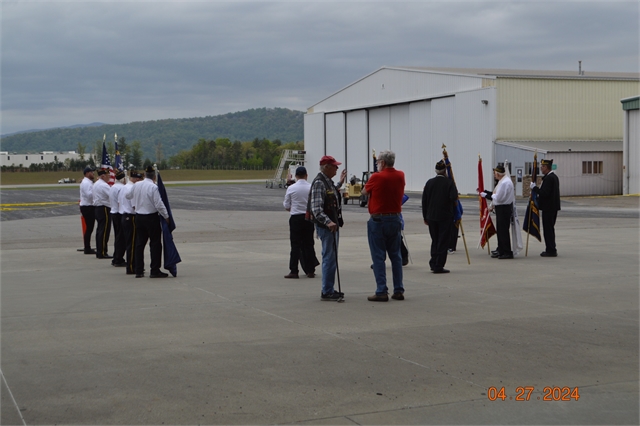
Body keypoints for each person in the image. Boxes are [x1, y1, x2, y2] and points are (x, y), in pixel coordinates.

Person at [361, 150, 405, 301]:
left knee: (378, 257)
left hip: (378, 219)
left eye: (378, 161)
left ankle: (381, 290)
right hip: (395, 218)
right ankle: (398, 289)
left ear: (383, 163)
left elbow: (364, 191)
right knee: (396, 256)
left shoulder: (376, 177)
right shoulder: (400, 175)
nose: (377, 164)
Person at [308, 155, 347, 301]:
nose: (337, 169)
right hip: (327, 227)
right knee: (329, 258)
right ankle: (327, 290)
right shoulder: (319, 182)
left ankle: (329, 288)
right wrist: (328, 221)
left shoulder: (327, 182)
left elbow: (330, 192)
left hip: (332, 226)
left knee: (331, 257)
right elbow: (316, 208)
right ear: (327, 167)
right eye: (335, 166)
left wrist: (340, 183)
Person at [126, 165, 170, 278]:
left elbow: (127, 195)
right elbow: (158, 204)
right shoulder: (153, 187)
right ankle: (154, 269)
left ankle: (139, 270)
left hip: (139, 217)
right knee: (155, 244)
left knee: (139, 244)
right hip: (151, 217)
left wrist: (137, 200)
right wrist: (166, 216)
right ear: (154, 176)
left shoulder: (137, 185)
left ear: (144, 175)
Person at [422, 160, 459, 273]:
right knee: (443, 241)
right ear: (445, 171)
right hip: (445, 217)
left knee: (435, 240)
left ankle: (433, 262)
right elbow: (454, 198)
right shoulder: (449, 183)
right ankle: (438, 265)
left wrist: (425, 216)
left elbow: (424, 201)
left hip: (431, 217)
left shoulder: (429, 183)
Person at [283, 166, 319, 279]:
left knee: (295, 245)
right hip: (308, 217)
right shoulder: (311, 187)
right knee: (309, 244)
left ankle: (294, 270)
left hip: (295, 218)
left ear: (296, 176)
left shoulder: (291, 188)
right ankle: (310, 270)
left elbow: (286, 205)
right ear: (306, 175)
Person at [480, 165, 515, 259]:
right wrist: (487, 193)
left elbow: (498, 197)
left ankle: (507, 252)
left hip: (503, 208)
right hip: (502, 208)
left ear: (498, 174)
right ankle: (501, 249)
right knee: (500, 230)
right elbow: (496, 193)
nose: (494, 176)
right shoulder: (503, 181)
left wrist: (487, 196)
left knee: (503, 231)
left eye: (495, 174)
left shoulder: (504, 183)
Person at [531, 158, 561, 257]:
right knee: (550, 229)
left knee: (548, 229)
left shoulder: (549, 178)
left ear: (546, 167)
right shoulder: (553, 177)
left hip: (549, 208)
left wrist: (535, 188)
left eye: (542, 167)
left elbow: (545, 193)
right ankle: (551, 248)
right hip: (552, 207)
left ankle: (551, 250)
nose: (541, 168)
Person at [119, 170, 142, 275]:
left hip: (124, 216)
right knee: (133, 244)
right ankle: (132, 266)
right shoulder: (132, 188)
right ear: (136, 179)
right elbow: (134, 205)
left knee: (130, 242)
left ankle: (132, 265)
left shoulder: (124, 187)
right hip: (131, 217)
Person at [93, 169, 112, 259]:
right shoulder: (103, 185)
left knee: (100, 230)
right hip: (104, 208)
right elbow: (111, 196)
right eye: (108, 175)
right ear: (103, 176)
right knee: (104, 231)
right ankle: (102, 251)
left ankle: (100, 250)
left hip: (98, 208)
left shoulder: (96, 183)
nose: (109, 177)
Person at [109, 171, 127, 267]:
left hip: (113, 212)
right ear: (123, 179)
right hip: (119, 213)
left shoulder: (113, 187)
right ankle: (118, 258)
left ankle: (116, 256)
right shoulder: (121, 188)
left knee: (118, 237)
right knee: (121, 238)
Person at [79, 166, 96, 254]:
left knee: (90, 228)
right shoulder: (86, 183)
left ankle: (87, 246)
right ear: (87, 173)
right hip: (87, 206)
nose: (93, 173)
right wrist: (96, 191)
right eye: (91, 172)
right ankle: (87, 247)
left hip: (89, 206)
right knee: (89, 228)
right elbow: (89, 195)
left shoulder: (89, 182)